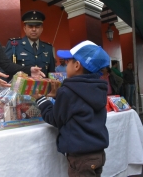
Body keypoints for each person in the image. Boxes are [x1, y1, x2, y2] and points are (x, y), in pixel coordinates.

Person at [33, 40, 109, 177]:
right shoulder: (99, 88)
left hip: (80, 158)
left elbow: (55, 118)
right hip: (97, 154)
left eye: (68, 61)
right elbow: (79, 106)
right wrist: (58, 96)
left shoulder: (68, 91)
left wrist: (40, 99)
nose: (65, 64)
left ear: (77, 65)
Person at [4, 10, 55, 79]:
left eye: (37, 27)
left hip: (42, 88)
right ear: (25, 29)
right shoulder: (14, 45)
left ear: (42, 29)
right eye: (30, 26)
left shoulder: (48, 48)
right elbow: (5, 68)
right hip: (20, 88)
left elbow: (51, 73)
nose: (34, 29)